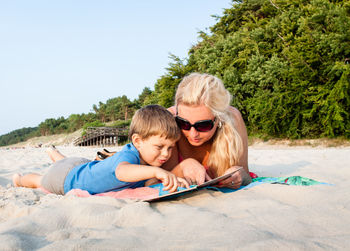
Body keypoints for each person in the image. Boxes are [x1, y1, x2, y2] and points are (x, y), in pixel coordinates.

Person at [12, 105, 189, 195]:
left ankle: (55, 154)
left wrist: (173, 181)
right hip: (65, 179)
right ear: (138, 141)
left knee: (66, 163)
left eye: (171, 148)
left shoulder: (145, 161)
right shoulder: (129, 156)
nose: (166, 154)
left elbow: (148, 184)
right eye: (159, 147)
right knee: (40, 180)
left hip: (82, 165)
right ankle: (19, 179)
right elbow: (122, 172)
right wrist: (157, 171)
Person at [163, 73, 252, 189]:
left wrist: (240, 175)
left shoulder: (233, 119)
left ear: (219, 118)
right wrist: (182, 168)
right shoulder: (168, 120)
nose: (193, 133)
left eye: (203, 125)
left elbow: (246, 175)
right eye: (183, 123)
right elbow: (155, 181)